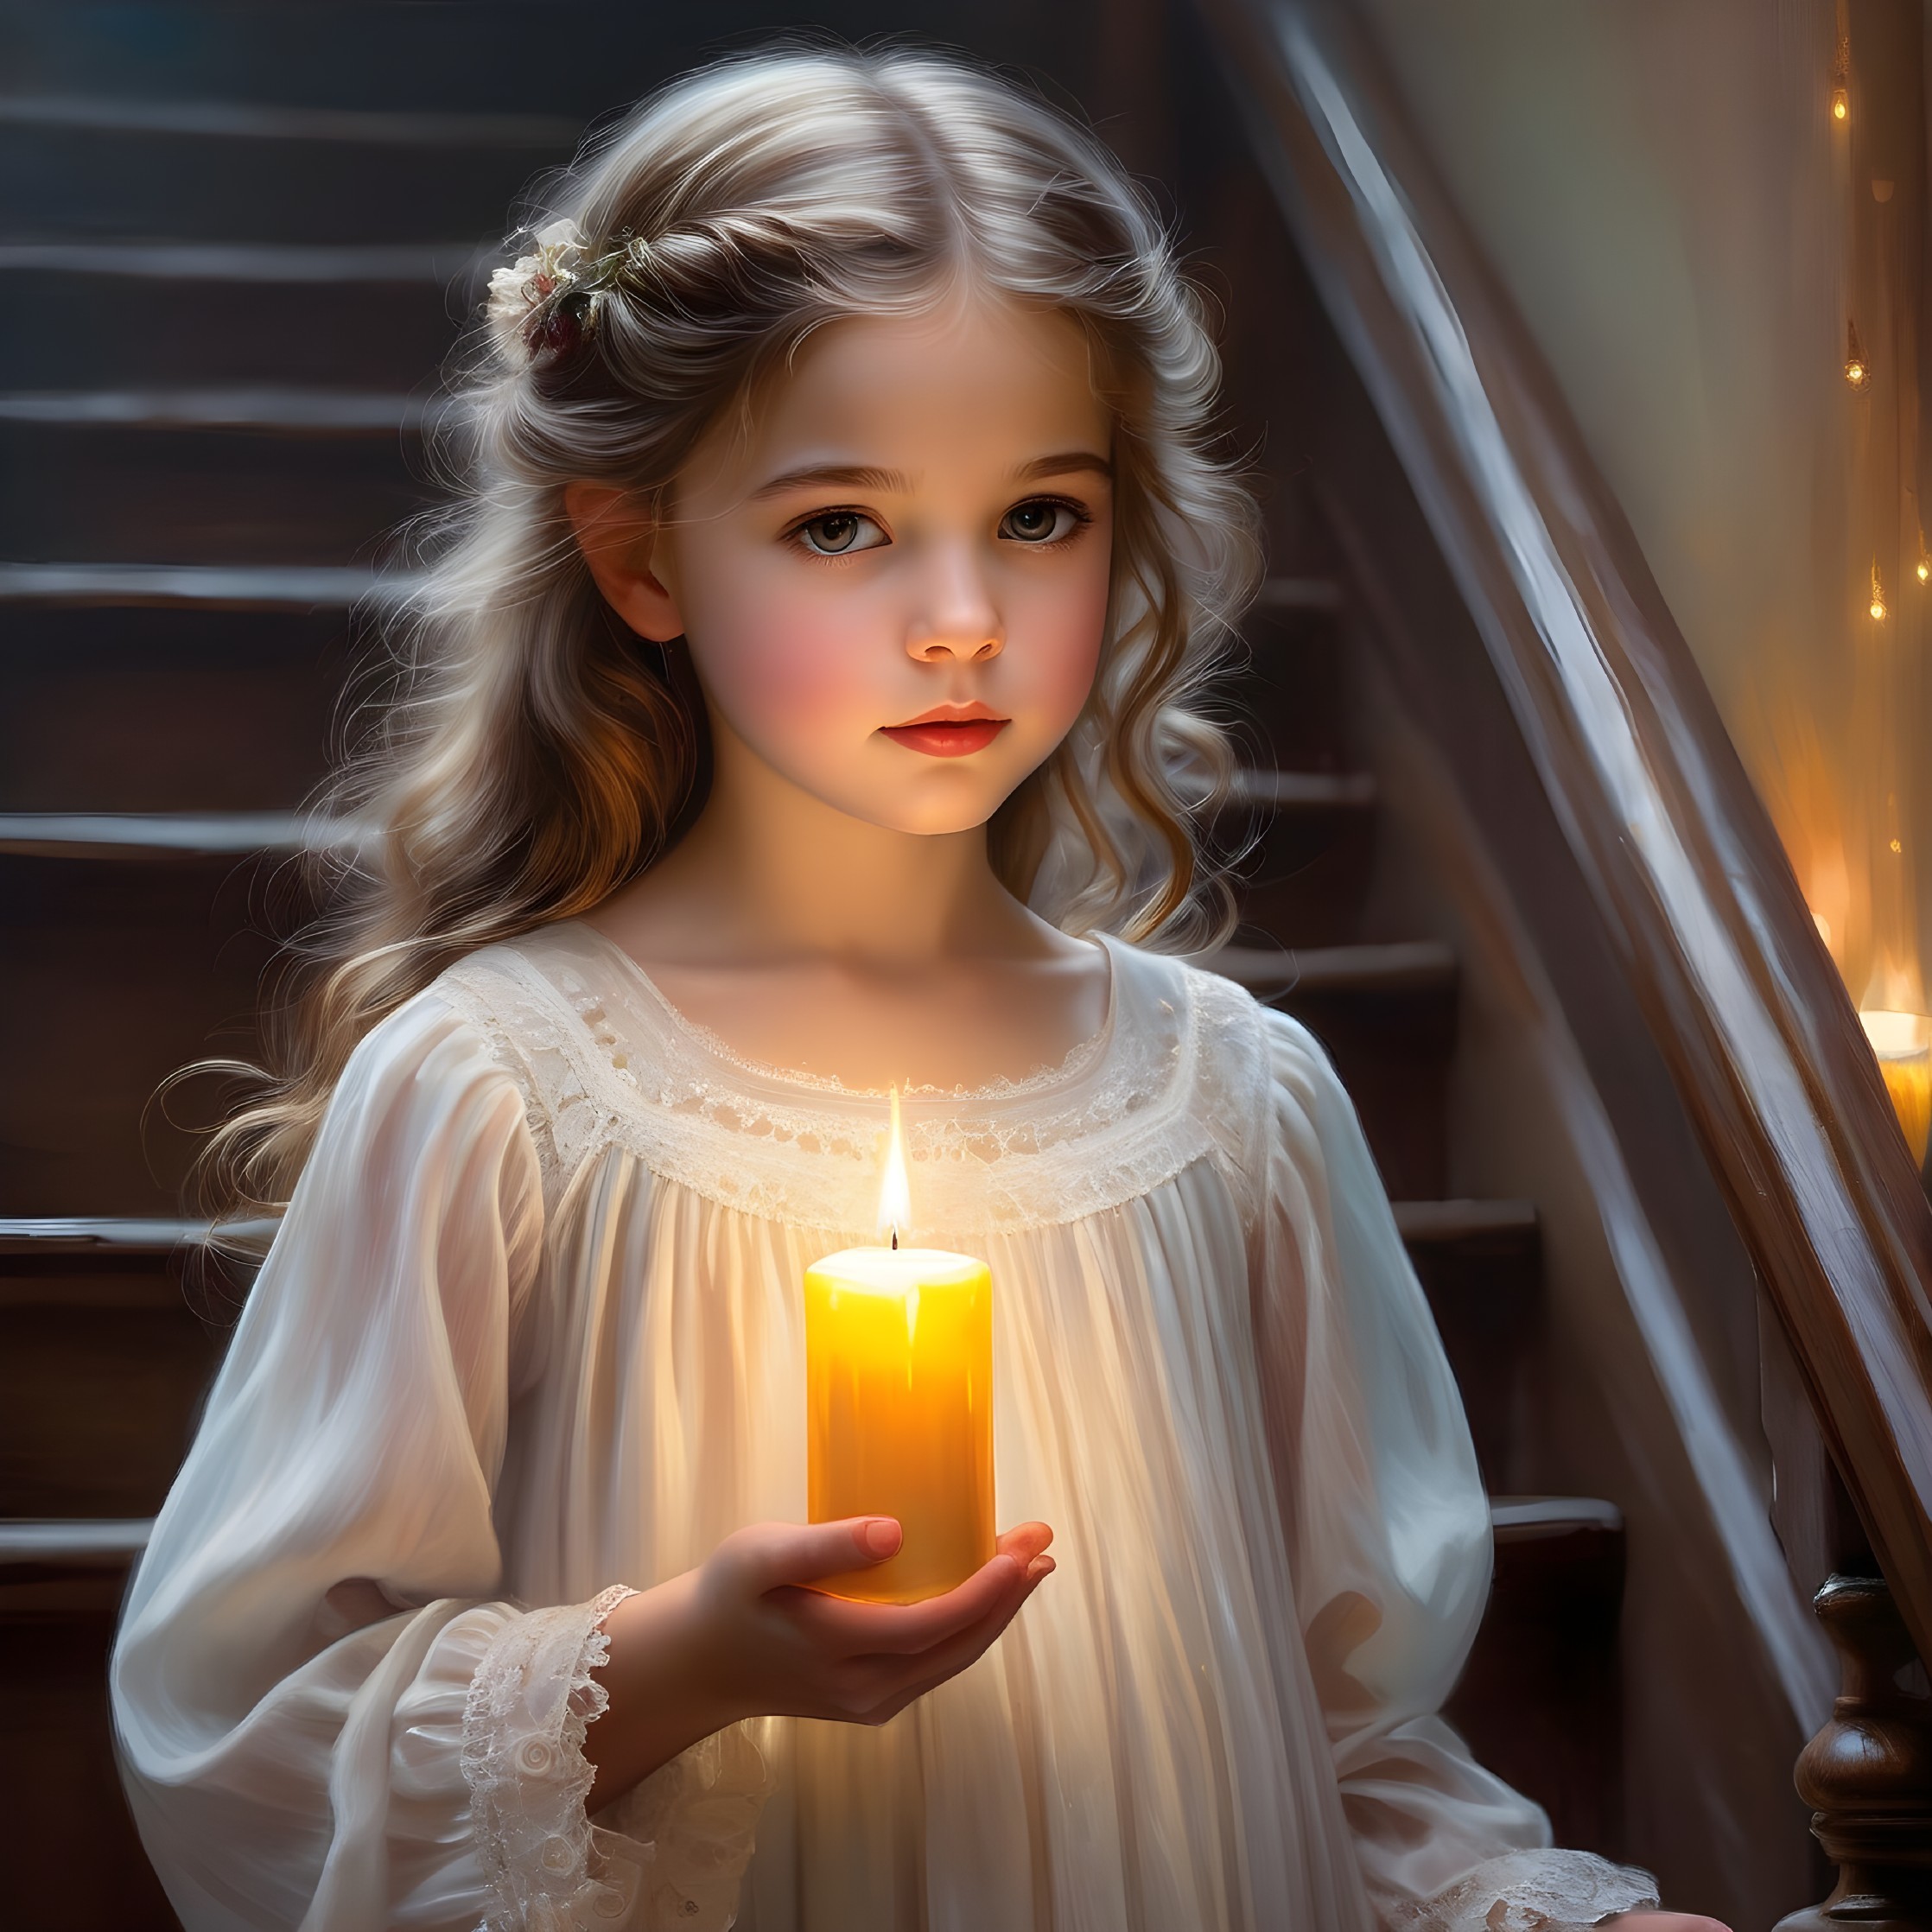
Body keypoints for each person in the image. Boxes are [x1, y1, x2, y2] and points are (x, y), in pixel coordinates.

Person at [109, 43, 1731, 1932]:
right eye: (840, 525)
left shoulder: (1236, 1098)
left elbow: (1339, 1741)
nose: (959, 612)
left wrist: (1563, 1917)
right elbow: (244, 1741)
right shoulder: (497, 1090)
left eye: (1037, 512)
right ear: (638, 556)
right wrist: (682, 1657)